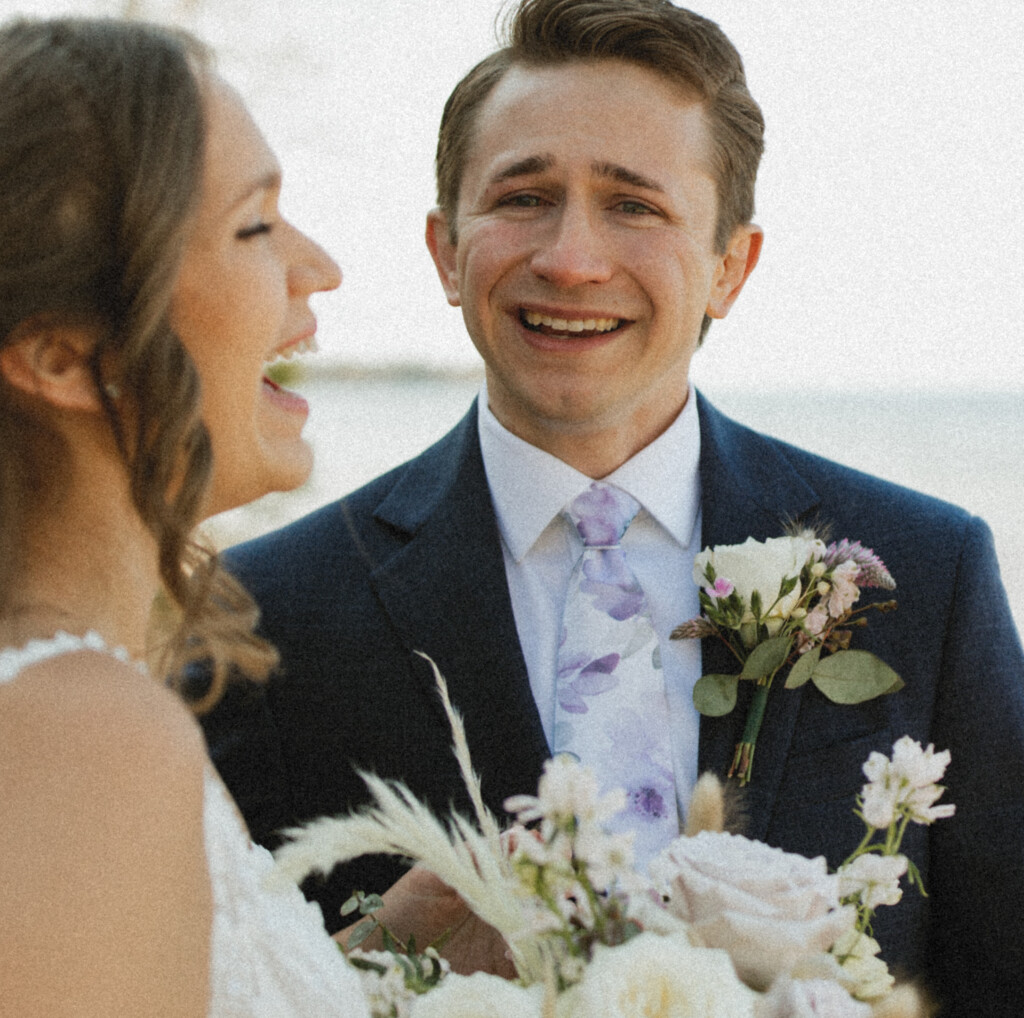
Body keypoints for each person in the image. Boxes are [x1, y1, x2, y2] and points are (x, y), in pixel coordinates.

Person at [203, 0, 1024, 1013]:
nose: (571, 258)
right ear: (445, 250)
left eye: (633, 205)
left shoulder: (926, 574)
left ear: (731, 265)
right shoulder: (260, 611)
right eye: (524, 196)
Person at [0, 16, 505, 1015]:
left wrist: (380, 963)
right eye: (253, 226)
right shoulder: (85, 731)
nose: (318, 266)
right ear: (60, 353)